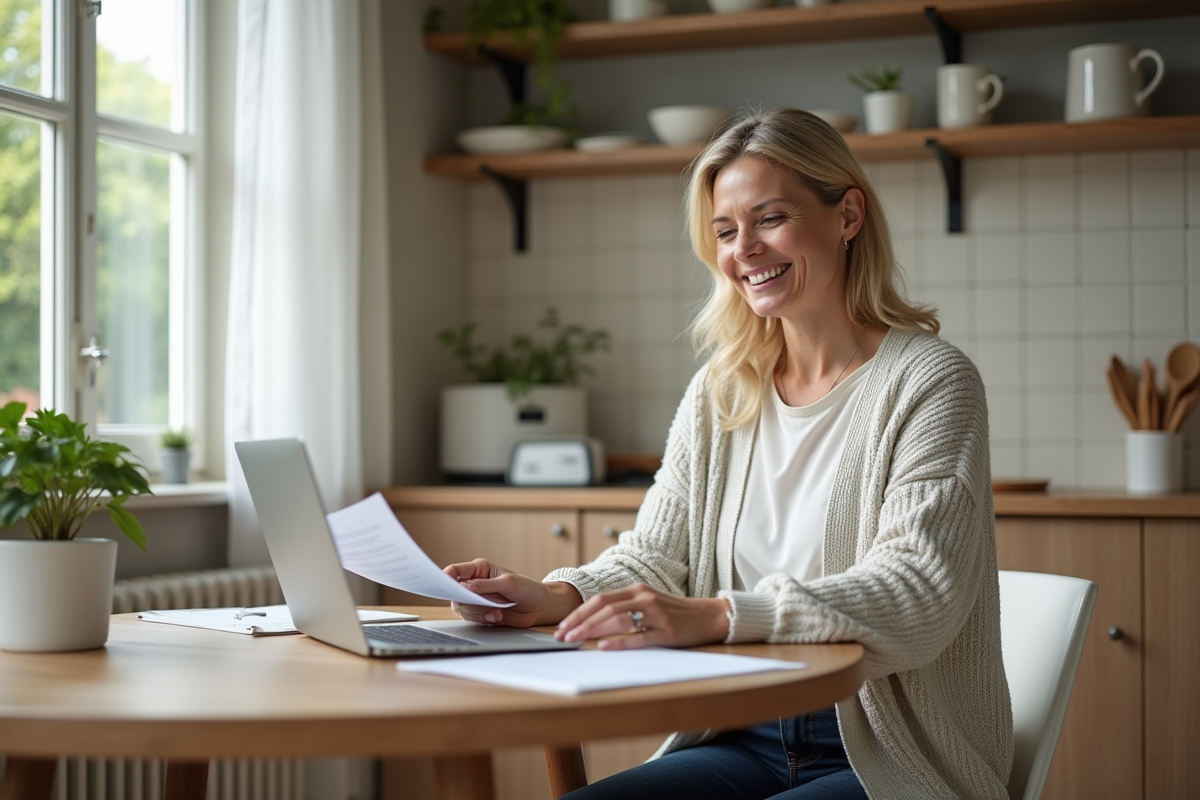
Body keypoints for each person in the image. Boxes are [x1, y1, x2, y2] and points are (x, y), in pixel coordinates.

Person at [445, 107, 1013, 800]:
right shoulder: (723, 388)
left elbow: (918, 593)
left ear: (848, 214)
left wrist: (719, 616)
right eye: (724, 231)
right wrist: (554, 597)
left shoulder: (930, 380)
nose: (744, 249)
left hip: (886, 752)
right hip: (741, 730)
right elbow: (656, 557)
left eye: (770, 218)